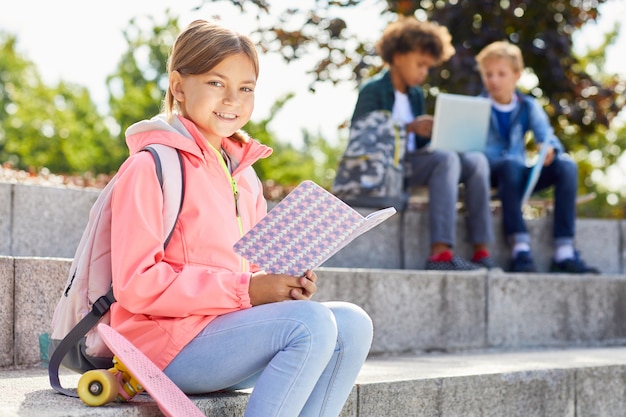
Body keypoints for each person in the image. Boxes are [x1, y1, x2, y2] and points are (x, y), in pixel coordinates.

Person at [109, 20, 373, 417]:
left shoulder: (244, 175)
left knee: (352, 324)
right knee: (310, 325)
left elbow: (249, 270)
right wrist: (248, 291)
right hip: (160, 345)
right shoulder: (151, 166)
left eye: (246, 88)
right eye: (217, 83)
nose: (233, 99)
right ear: (179, 87)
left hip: (225, 335)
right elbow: (136, 284)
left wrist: (282, 284)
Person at [351, 16, 494, 271]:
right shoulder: (373, 90)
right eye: (420, 64)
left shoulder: (416, 94)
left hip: (416, 161)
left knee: (476, 161)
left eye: (428, 67)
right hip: (387, 169)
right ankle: (440, 254)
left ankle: (482, 250)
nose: (423, 72)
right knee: (446, 159)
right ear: (397, 57)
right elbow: (360, 137)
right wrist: (408, 128)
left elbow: (421, 143)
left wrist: (440, 132)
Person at [475, 40, 599, 274]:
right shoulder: (476, 106)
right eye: (488, 74)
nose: (494, 80)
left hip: (519, 175)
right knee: (510, 164)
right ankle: (519, 247)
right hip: (491, 174)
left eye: (501, 74)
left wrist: (549, 149)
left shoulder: (528, 106)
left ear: (517, 75)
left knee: (566, 166)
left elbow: (548, 137)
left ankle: (564, 251)